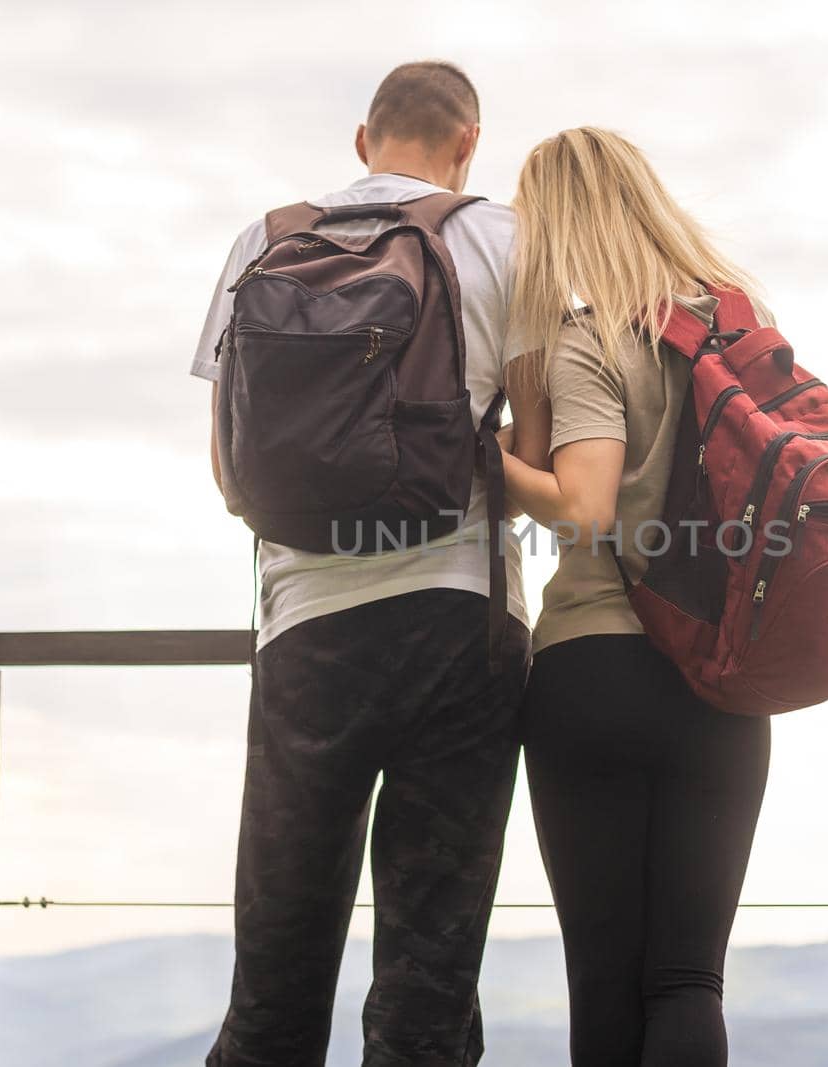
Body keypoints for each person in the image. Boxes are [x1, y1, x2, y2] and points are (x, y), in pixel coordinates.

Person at [190, 61, 530, 1067]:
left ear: (360, 140)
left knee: (275, 981)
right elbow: (543, 446)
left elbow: (227, 461)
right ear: (467, 143)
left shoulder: (266, 237)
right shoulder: (500, 237)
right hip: (459, 619)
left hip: (304, 628)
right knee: (426, 984)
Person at [497, 127, 773, 1067]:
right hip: (724, 677)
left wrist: (492, 463)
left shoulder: (589, 339)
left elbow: (582, 509)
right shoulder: (740, 327)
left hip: (594, 667)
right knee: (690, 980)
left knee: (606, 983)